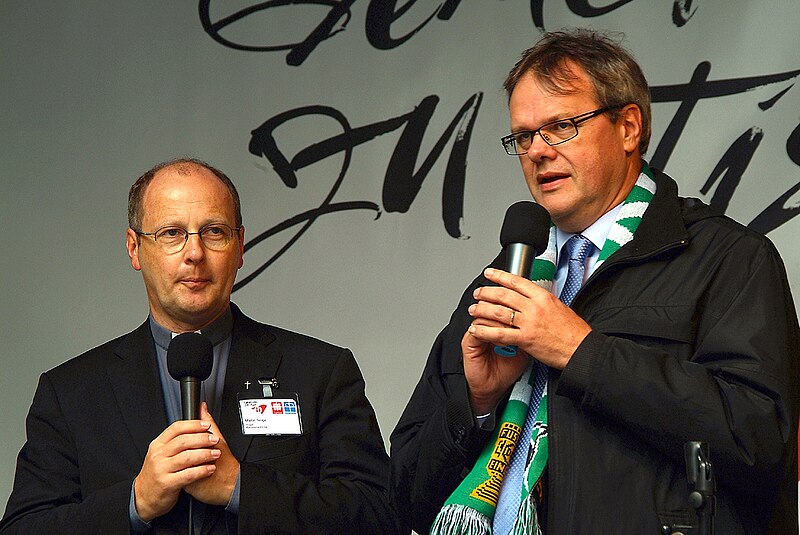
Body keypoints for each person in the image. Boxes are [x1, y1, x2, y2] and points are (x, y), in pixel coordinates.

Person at [390, 29, 799, 535]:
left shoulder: (729, 258)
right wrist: (474, 405)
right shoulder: (504, 281)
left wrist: (581, 352)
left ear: (628, 127)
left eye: (560, 127)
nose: (537, 151)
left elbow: (760, 442)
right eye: (522, 136)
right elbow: (402, 495)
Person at [1, 158, 401, 534]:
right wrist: (135, 502)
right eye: (171, 233)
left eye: (214, 232)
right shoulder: (70, 392)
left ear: (240, 246)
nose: (194, 254)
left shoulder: (321, 372)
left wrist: (241, 487)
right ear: (134, 248)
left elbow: (382, 516)